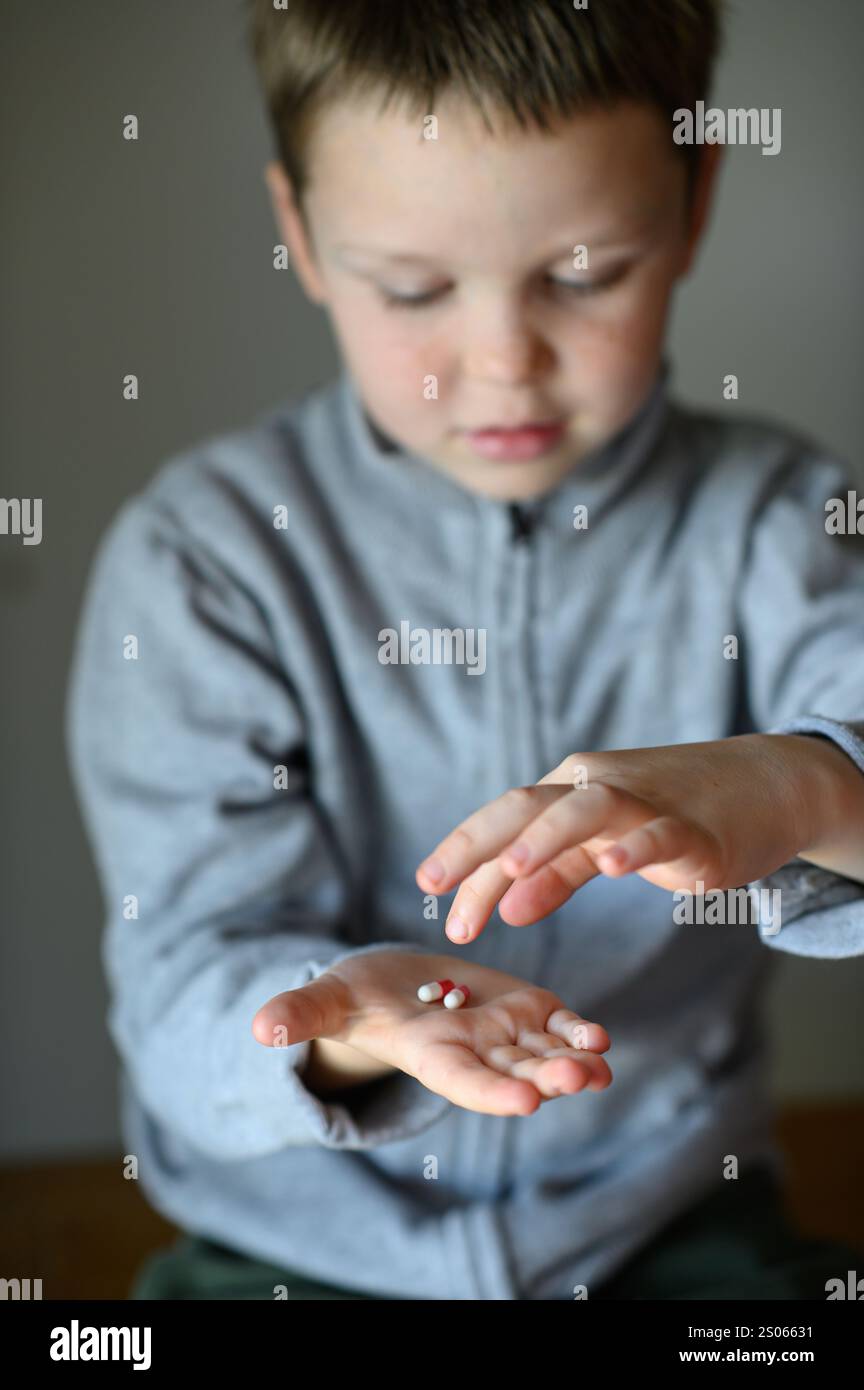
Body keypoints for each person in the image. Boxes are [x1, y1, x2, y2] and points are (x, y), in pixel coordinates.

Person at [67, 0, 864, 1300]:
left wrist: (803, 782)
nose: (502, 362)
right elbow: (182, 982)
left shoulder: (783, 520)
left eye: (588, 270)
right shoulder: (204, 558)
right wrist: (338, 1031)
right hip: (295, 1242)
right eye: (415, 286)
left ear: (696, 201)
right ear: (302, 238)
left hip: (665, 1225)